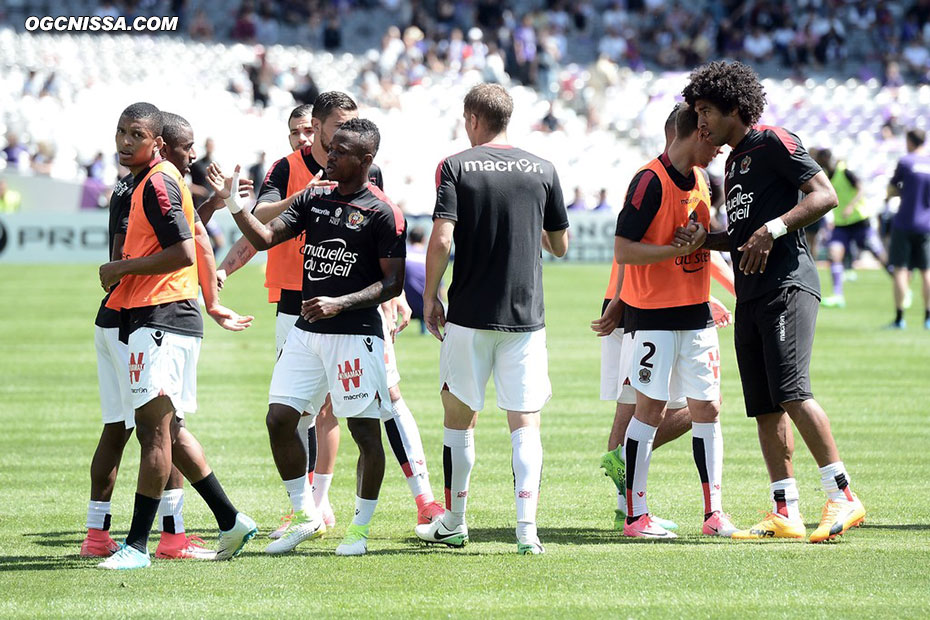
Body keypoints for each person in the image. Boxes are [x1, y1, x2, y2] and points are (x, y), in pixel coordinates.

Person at [213, 96, 444, 540]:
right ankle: (308, 509)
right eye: (333, 130)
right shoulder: (286, 170)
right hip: (295, 308)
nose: (331, 143)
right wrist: (231, 238)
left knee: (381, 404)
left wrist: (385, 299)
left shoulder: (369, 182)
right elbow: (262, 227)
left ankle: (419, 499)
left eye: (349, 131)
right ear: (318, 128)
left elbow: (386, 257)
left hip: (356, 315)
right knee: (294, 412)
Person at [683, 60, 866, 543]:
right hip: (752, 293)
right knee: (765, 406)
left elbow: (823, 195)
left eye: (705, 110)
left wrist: (775, 228)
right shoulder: (733, 161)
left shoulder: (773, 140)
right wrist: (707, 239)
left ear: (734, 108)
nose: (699, 121)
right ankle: (785, 510)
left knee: (792, 390)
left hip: (788, 283)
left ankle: (842, 495)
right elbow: (744, 237)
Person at [96, 106, 257, 569]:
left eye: (137, 134)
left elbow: (185, 250)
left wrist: (119, 267)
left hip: (163, 316)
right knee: (172, 430)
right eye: (121, 132)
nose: (126, 142)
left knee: (151, 433)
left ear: (157, 142)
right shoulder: (150, 180)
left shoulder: (160, 181)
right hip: (159, 315)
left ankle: (137, 547)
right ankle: (230, 520)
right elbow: (196, 239)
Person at [417, 83, 569, 554]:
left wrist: (430, 294)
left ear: (472, 119)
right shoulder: (543, 169)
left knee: (459, 419)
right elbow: (559, 245)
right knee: (524, 423)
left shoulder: (457, 165)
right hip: (525, 316)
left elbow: (442, 240)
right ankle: (527, 532)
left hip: (468, 313)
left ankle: (456, 522)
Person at [593, 103, 736, 534]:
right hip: (652, 317)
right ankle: (635, 515)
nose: (719, 147)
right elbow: (624, 250)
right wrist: (673, 254)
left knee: (708, 407)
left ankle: (714, 514)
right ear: (697, 132)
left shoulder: (704, 182)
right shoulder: (647, 181)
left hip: (696, 315)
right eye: (714, 137)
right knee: (648, 411)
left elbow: (700, 245)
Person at [816, 148, 887, 308]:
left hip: (860, 221)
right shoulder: (826, 177)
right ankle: (838, 295)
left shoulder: (845, 172)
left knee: (877, 253)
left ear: (827, 158)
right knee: (834, 254)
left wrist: (850, 206)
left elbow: (861, 188)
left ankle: (898, 280)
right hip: (841, 224)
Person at [886, 129, 930, 329]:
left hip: (904, 222)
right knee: (927, 271)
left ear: (910, 141)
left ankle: (899, 318)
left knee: (901, 270)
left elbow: (892, 188)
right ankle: (928, 318)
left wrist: (896, 194)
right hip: (926, 224)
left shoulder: (906, 162)